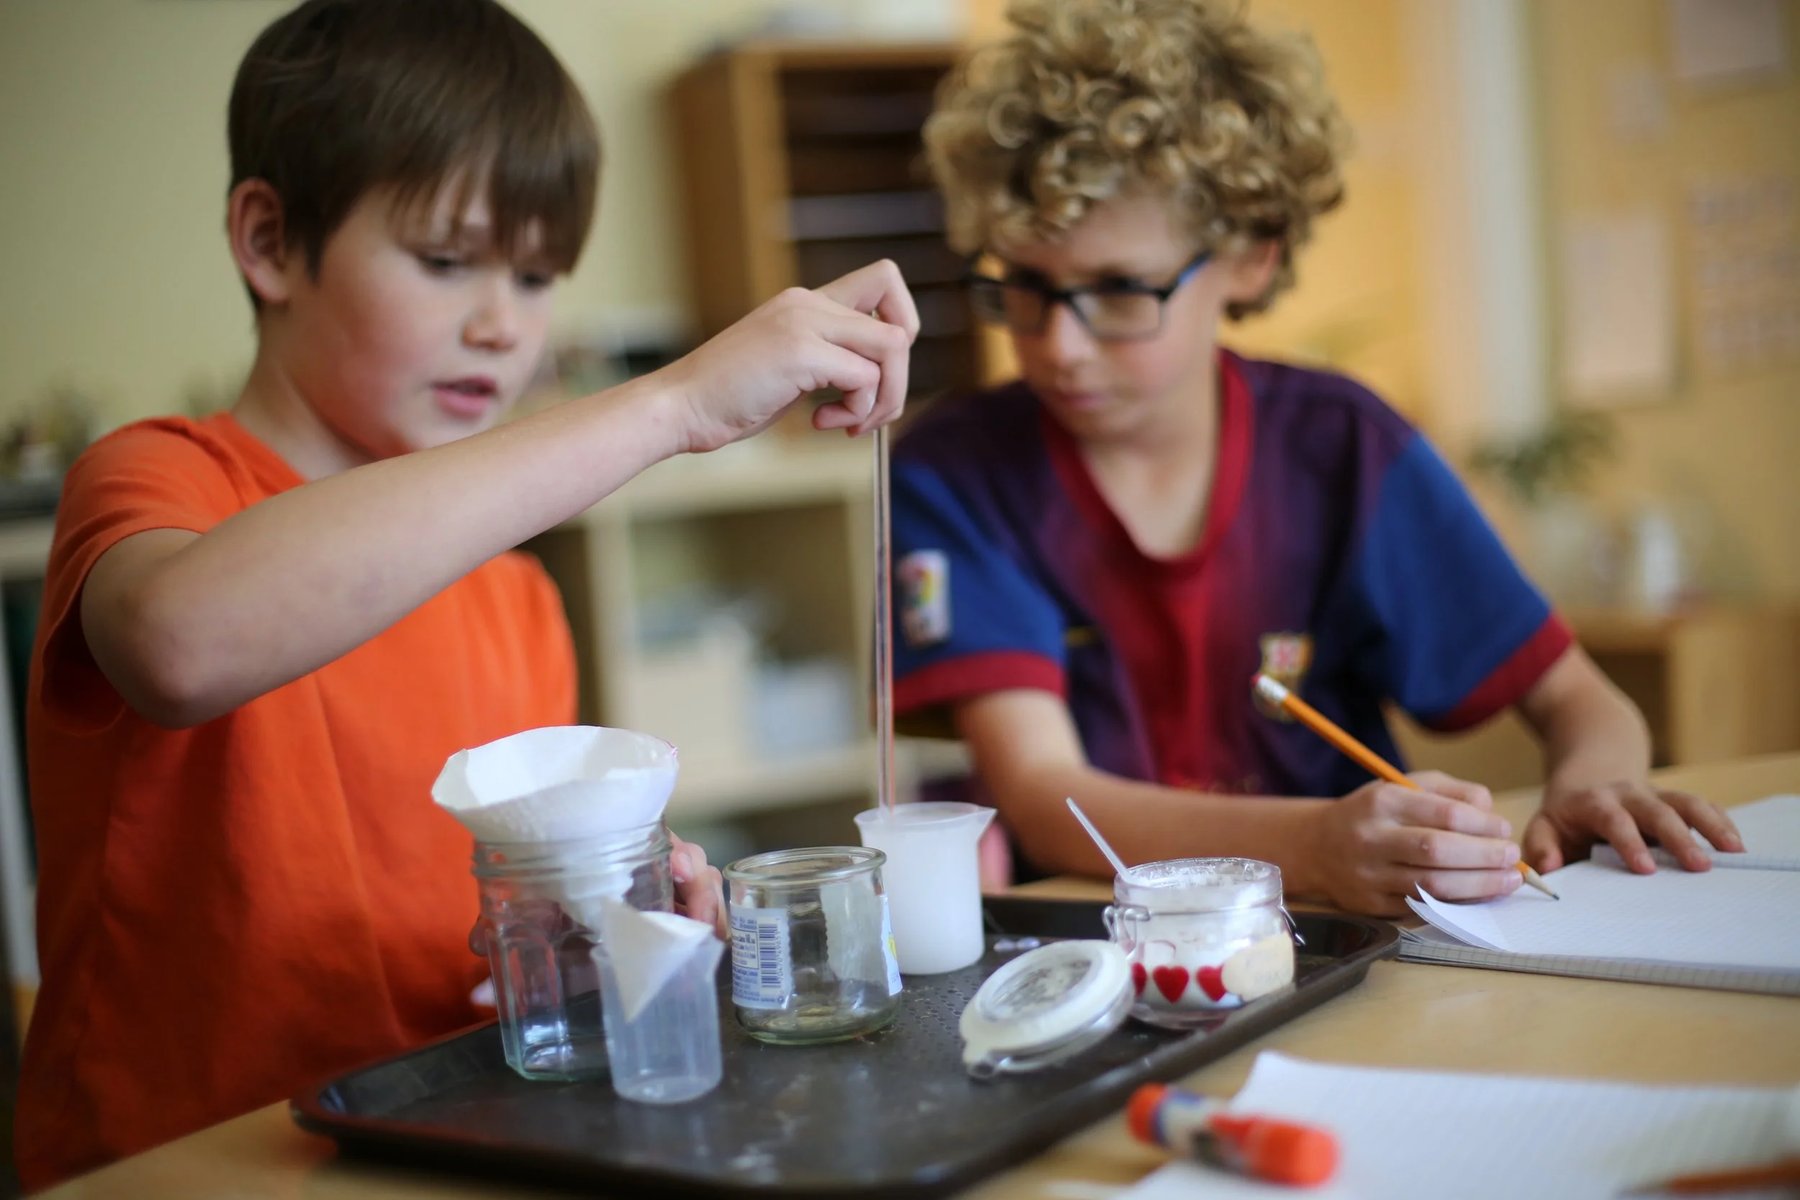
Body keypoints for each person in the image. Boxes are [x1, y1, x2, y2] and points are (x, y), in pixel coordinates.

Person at [18, 0, 917, 1186]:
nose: (502, 325)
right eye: (447, 262)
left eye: (537, 276)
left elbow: (501, 954)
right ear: (270, 240)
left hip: (434, 1150)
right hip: (181, 1166)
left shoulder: (515, 602)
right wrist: (672, 404)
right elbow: (179, 646)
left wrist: (619, 931)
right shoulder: (157, 480)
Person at [889, 0, 1738, 913]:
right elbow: (1046, 800)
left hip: (1343, 936)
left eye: (1120, 291)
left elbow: (1586, 704)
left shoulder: (1343, 447)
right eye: (1023, 288)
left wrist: (1591, 783)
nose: (1059, 345)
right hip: (1098, 951)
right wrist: (1314, 848)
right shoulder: (954, 473)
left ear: (1251, 258)